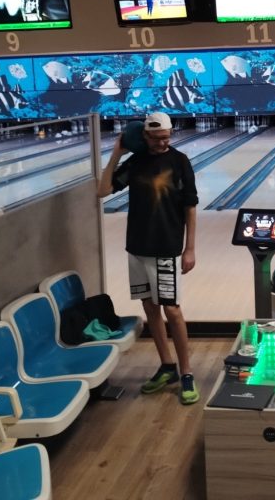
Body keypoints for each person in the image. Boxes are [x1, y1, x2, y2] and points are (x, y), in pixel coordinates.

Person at [97, 112, 200, 405]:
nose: (161, 143)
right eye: (155, 138)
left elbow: (190, 207)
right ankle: (167, 366)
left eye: (165, 137)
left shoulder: (179, 162)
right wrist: (117, 153)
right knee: (150, 307)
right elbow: (102, 190)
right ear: (145, 136)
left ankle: (187, 372)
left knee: (173, 310)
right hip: (137, 247)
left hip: (166, 247)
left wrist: (189, 248)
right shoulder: (136, 161)